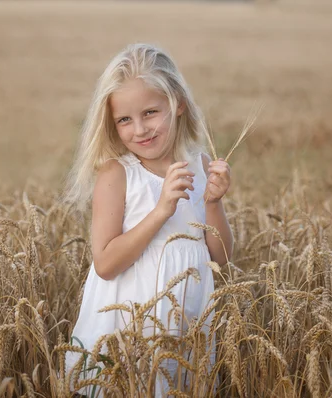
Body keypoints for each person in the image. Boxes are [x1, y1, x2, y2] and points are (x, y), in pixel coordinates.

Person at [62, 43, 234, 397]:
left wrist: (213, 202)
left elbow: (222, 260)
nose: (139, 129)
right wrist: (160, 211)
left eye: (151, 112)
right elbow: (106, 263)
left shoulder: (200, 167)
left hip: (185, 330)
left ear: (178, 103)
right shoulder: (117, 174)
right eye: (124, 120)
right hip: (126, 331)